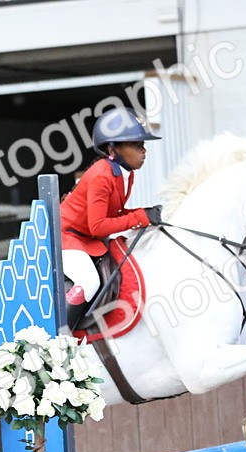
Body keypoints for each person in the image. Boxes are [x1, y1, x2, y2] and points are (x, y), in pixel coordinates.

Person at [60, 108, 164, 312]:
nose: (143, 151)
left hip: (85, 237)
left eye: (142, 145)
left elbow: (113, 215)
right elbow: (99, 226)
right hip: (66, 238)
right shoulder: (101, 175)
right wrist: (140, 217)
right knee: (89, 282)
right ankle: (62, 338)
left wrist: (145, 213)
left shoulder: (125, 173)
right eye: (136, 145)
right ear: (112, 150)